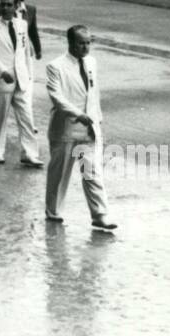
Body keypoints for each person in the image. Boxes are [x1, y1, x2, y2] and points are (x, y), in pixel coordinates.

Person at [43, 26, 117, 231]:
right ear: (70, 43)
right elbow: (56, 97)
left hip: (89, 129)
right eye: (81, 43)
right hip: (65, 128)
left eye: (88, 42)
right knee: (60, 173)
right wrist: (78, 114)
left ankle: (100, 215)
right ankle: (54, 211)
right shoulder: (55, 66)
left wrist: (97, 120)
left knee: (92, 172)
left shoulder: (92, 62)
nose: (85, 47)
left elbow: (94, 94)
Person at [0, 0, 42, 166]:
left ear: (16, 7)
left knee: (27, 117)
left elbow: (24, 52)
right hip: (2, 79)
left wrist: (28, 75)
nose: (5, 7)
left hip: (21, 78)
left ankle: (29, 153)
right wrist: (2, 71)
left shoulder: (22, 25)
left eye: (9, 5)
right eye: (3, 4)